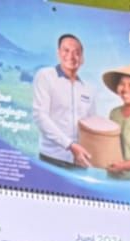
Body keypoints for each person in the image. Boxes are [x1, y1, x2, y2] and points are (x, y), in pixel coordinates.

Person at [32, 34, 95, 168]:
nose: (71, 56)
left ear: (82, 58)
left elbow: (91, 125)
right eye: (66, 50)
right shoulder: (46, 76)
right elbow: (40, 116)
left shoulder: (88, 88)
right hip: (51, 158)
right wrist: (70, 145)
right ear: (58, 53)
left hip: (80, 162)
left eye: (76, 52)